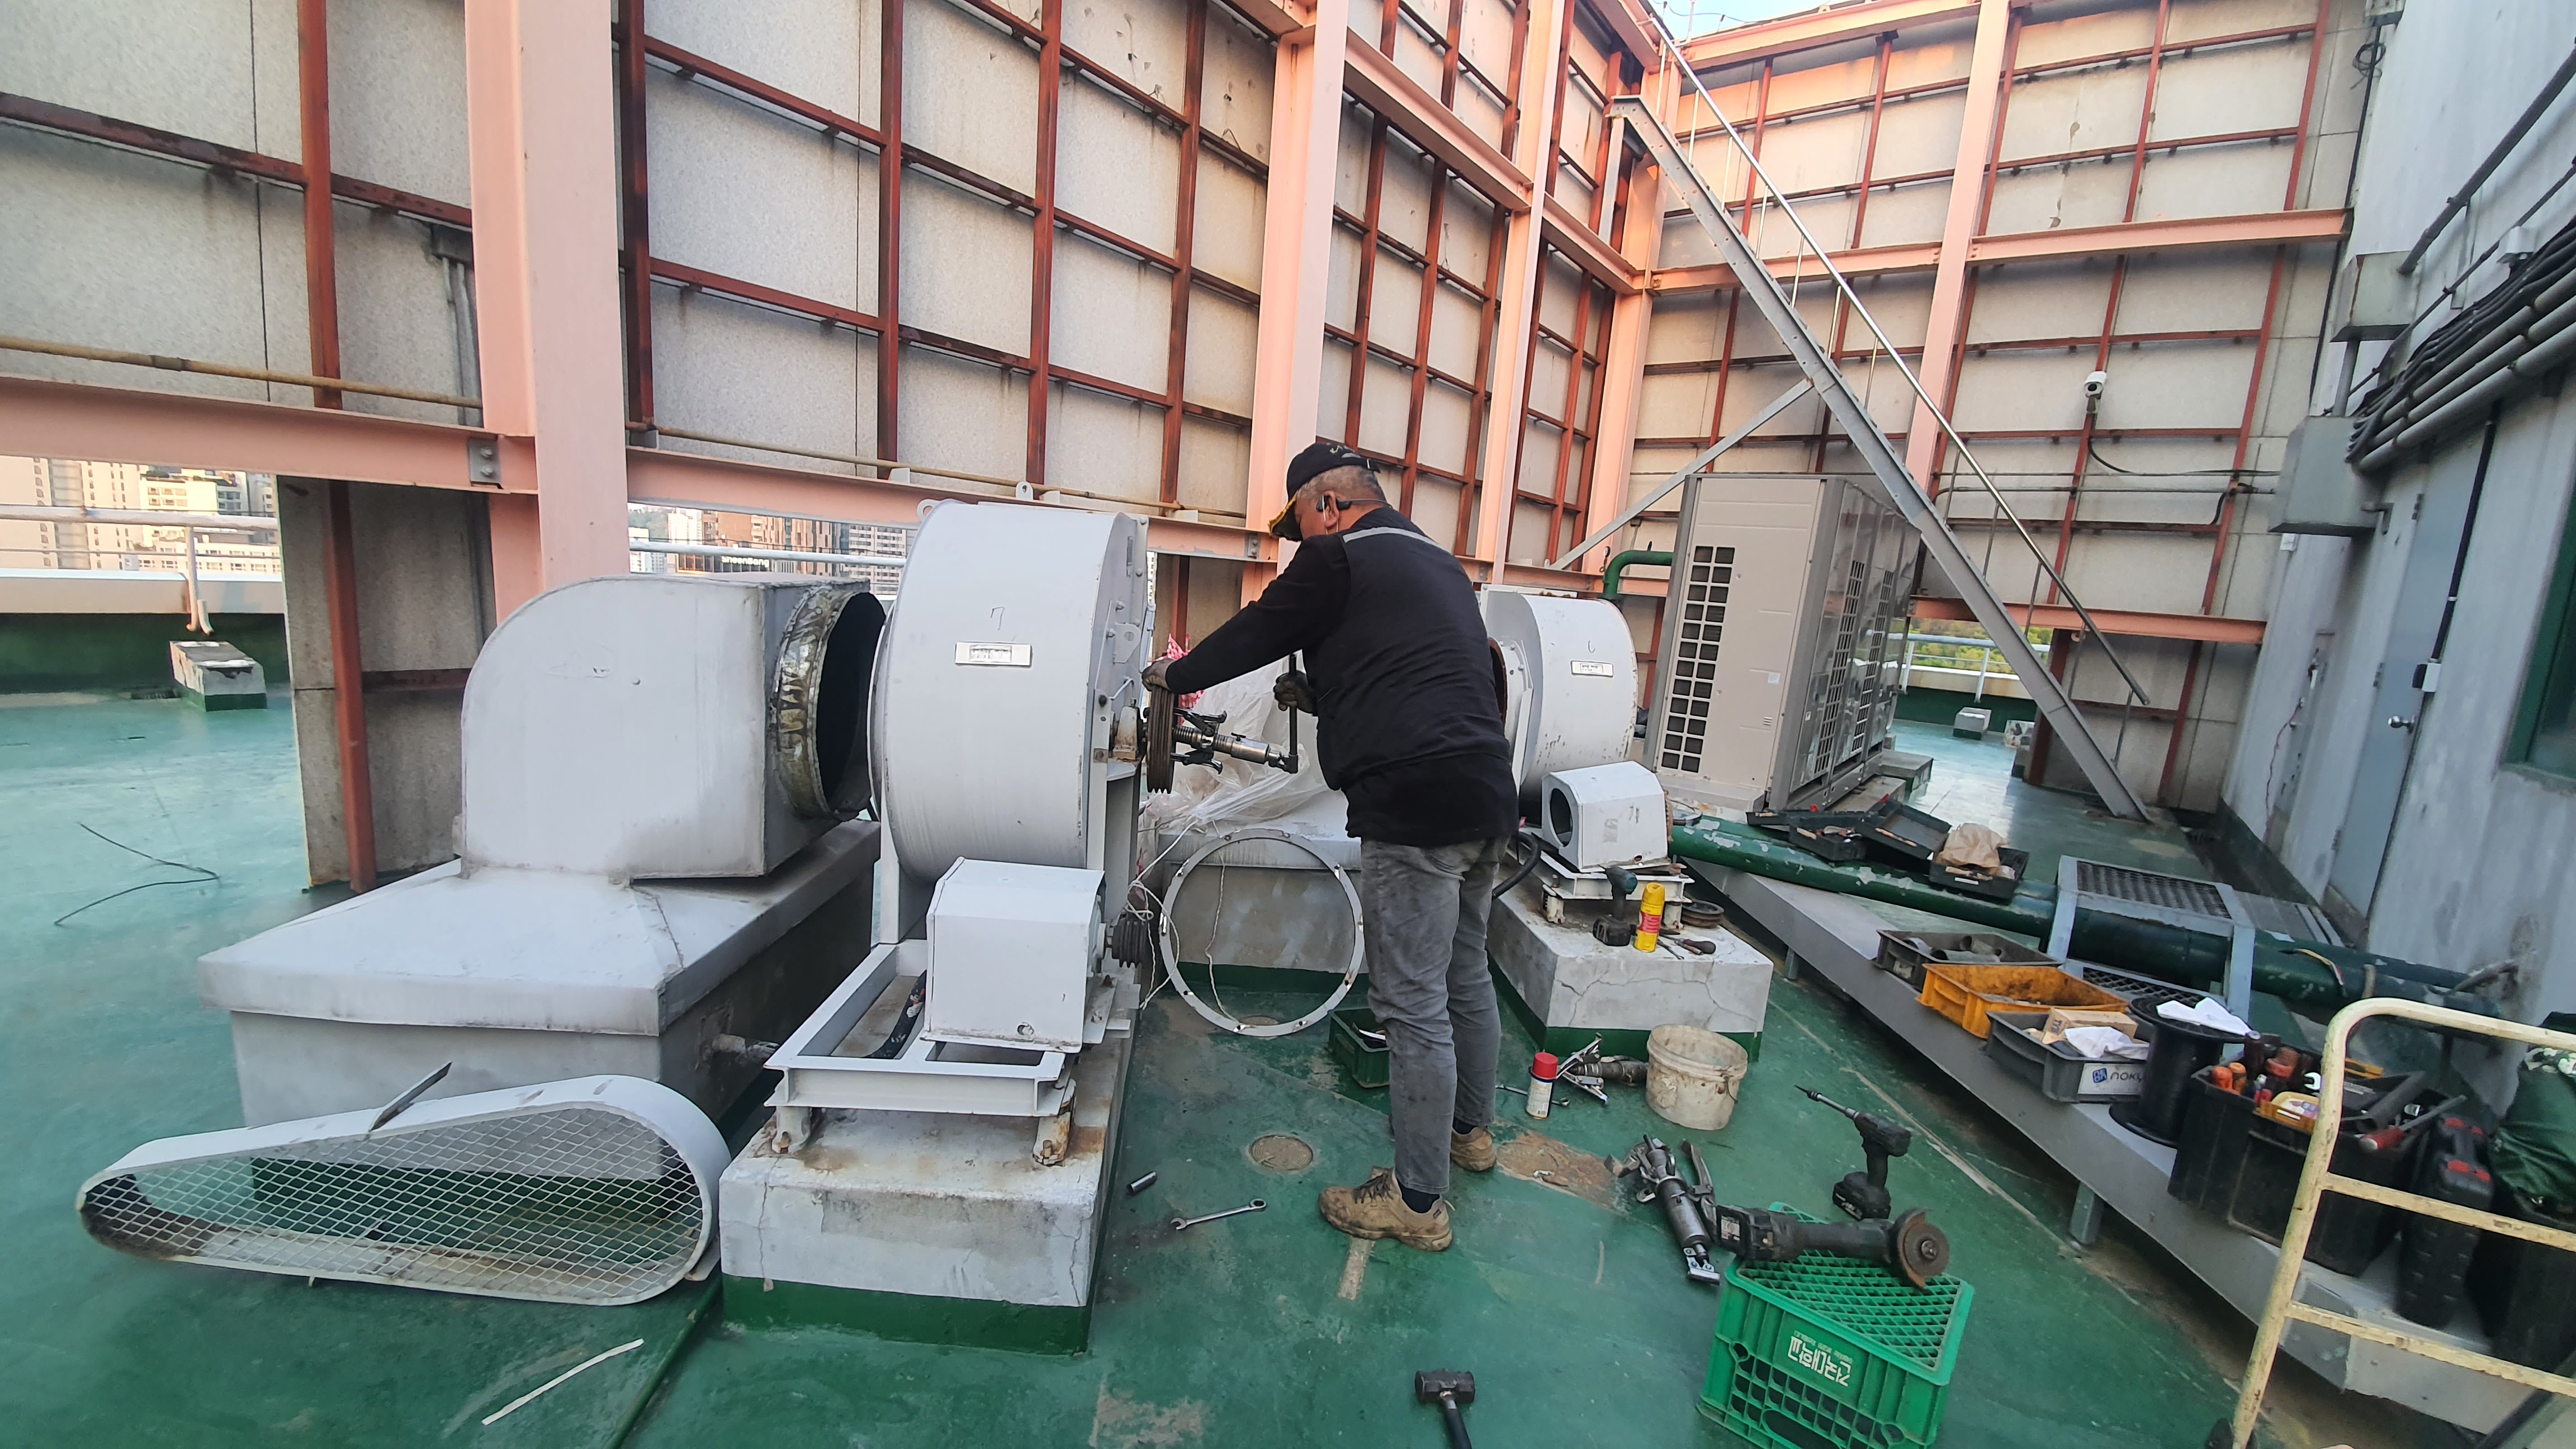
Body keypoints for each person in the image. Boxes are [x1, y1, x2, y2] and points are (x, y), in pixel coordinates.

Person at [1145, 441, 1518, 1252]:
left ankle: (1417, 1203)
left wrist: (1175, 677)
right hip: (1488, 796)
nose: (1298, 546)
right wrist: (1317, 694)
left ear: (1326, 505)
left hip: (1415, 808)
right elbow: (1424, 677)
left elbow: (1260, 628)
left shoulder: (1338, 555)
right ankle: (1469, 1134)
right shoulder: (1439, 564)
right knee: (1464, 975)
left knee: (1412, 1004)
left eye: (1300, 528)